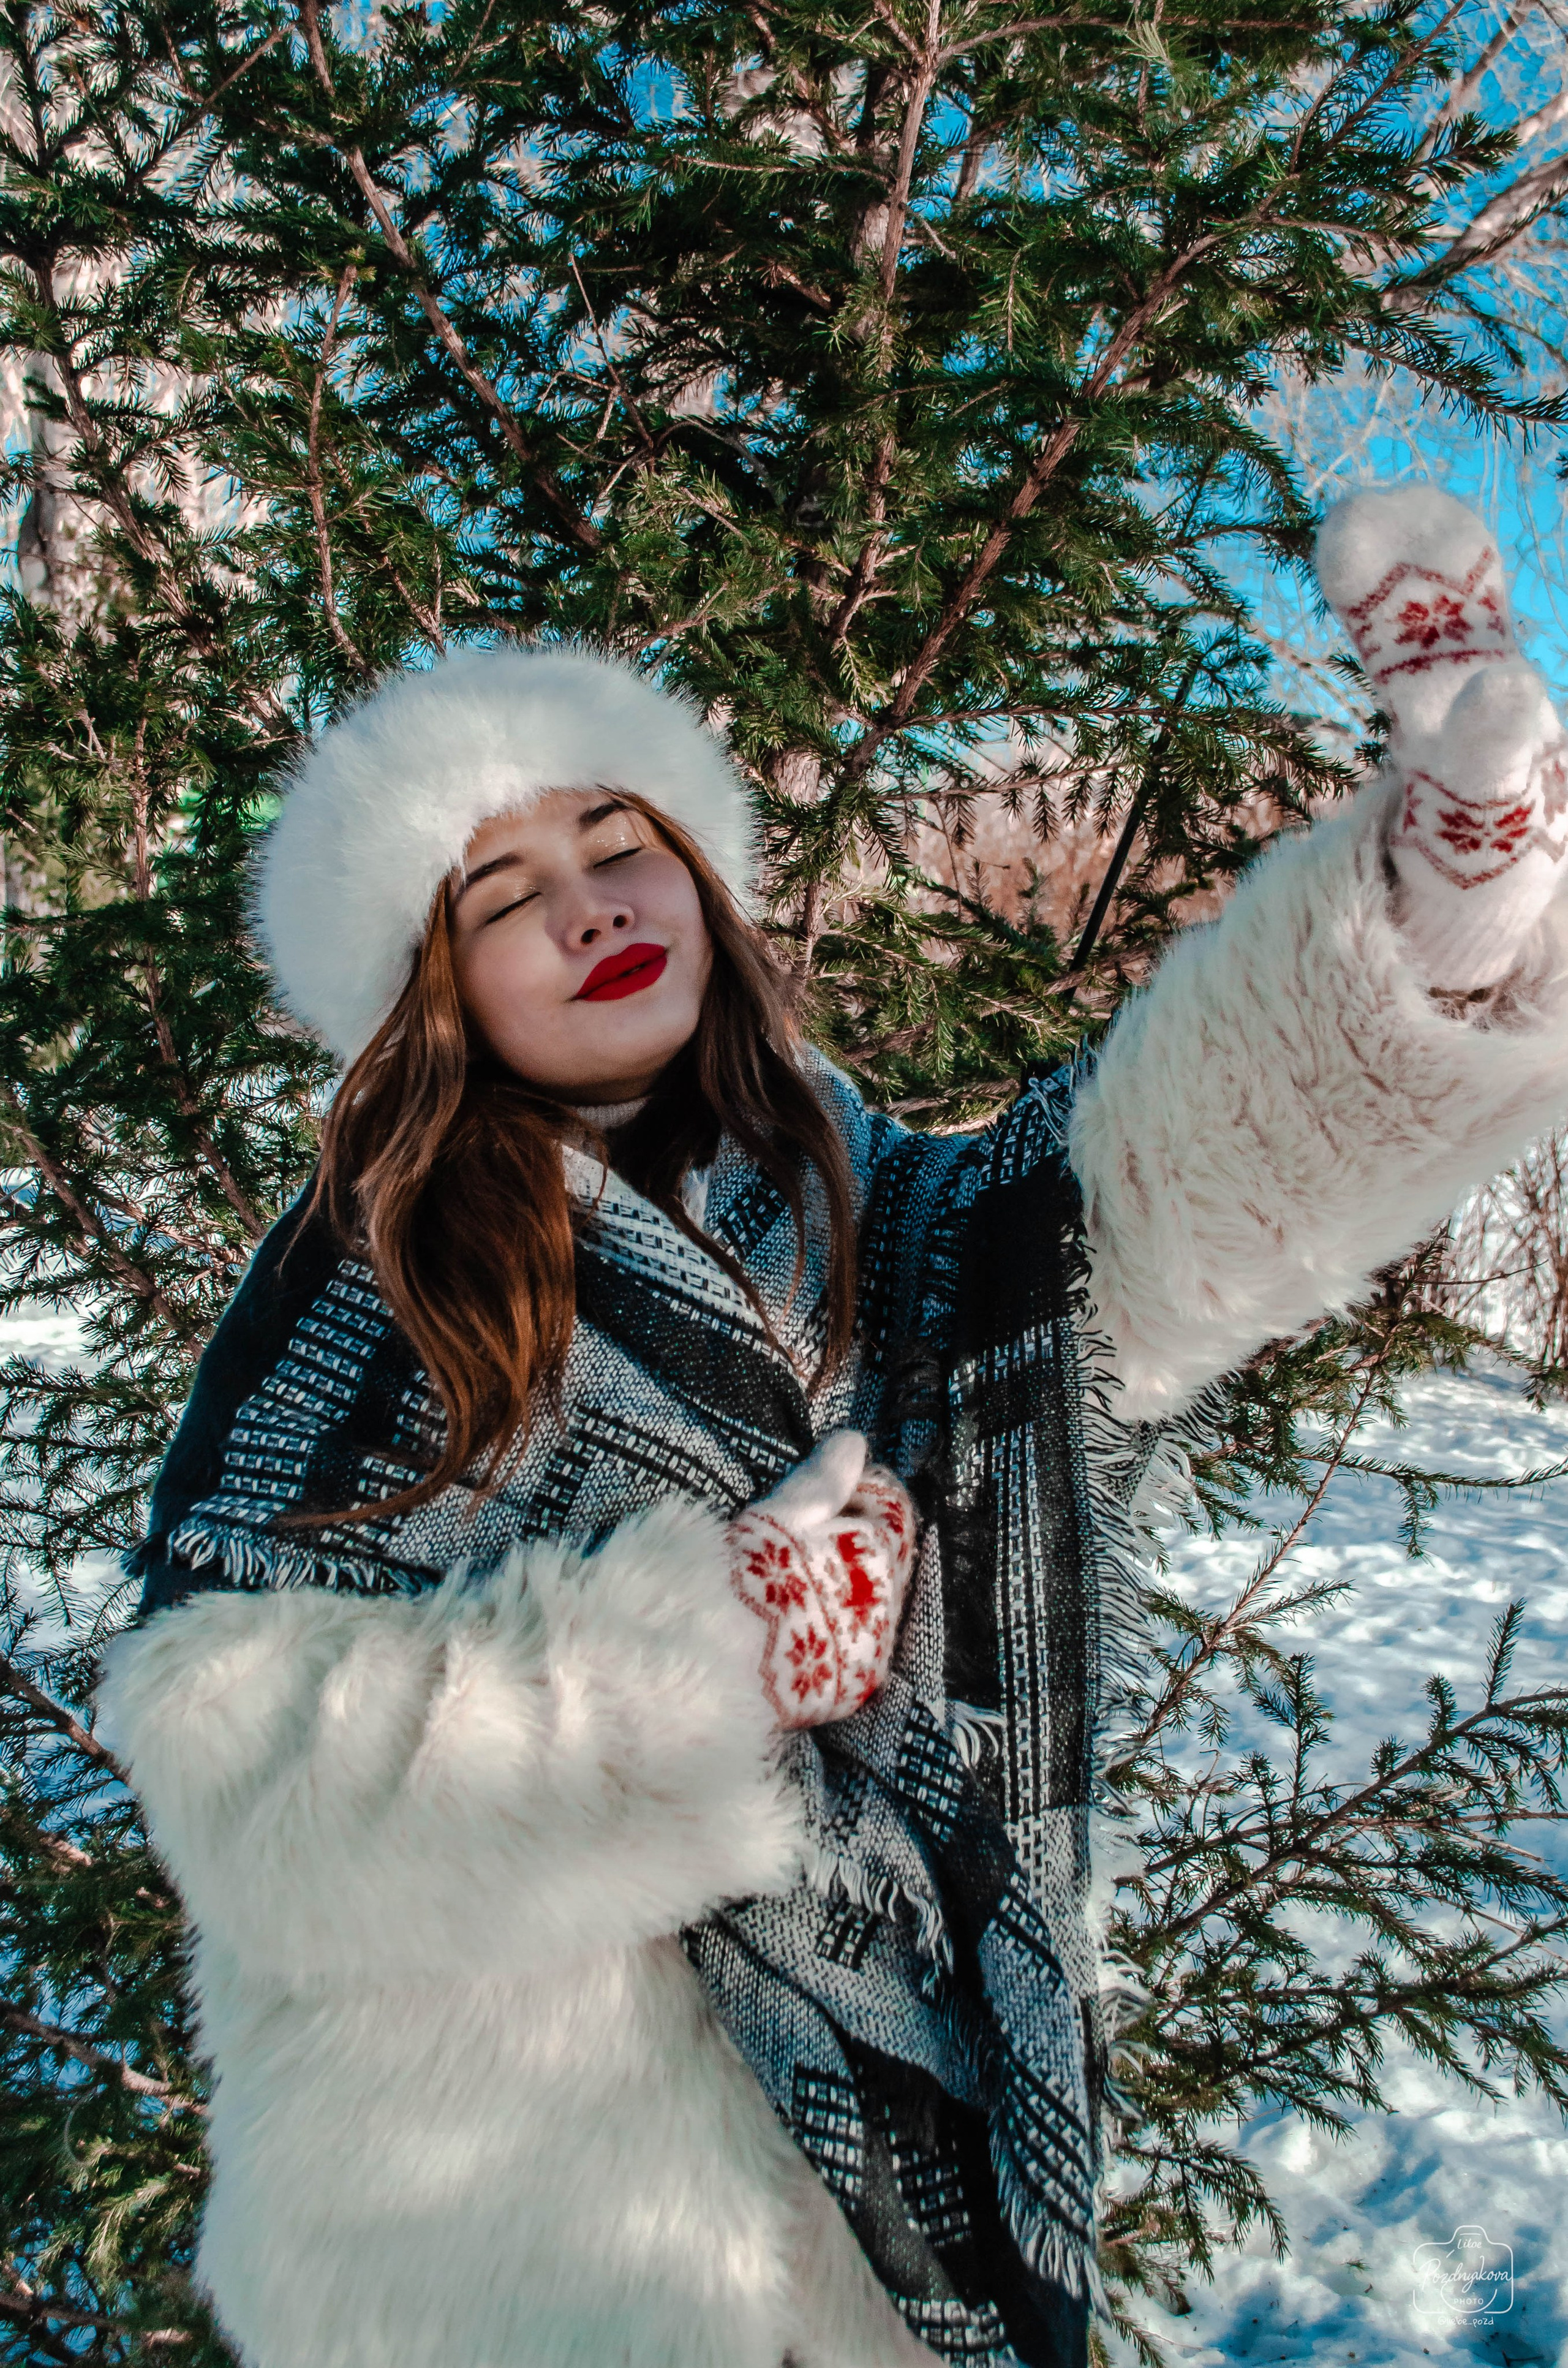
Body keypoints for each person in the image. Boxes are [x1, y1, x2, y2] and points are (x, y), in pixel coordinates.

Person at [98, 485, 1568, 2368]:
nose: (588, 905)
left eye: (618, 843)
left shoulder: (872, 1205)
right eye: (502, 896)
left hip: (868, 2251)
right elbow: (246, 1774)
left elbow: (1144, 1203)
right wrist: (714, 1652)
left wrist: (1428, 920)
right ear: (432, 989)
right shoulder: (374, 1283)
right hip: (503, 2245)